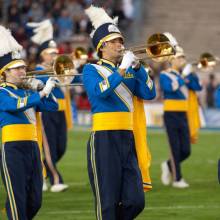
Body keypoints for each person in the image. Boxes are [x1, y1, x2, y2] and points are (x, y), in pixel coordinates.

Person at [83, 5, 156, 219]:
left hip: (127, 137)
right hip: (104, 139)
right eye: (115, 41)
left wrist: (138, 69)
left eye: (121, 41)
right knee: (108, 202)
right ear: (102, 46)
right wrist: (122, 69)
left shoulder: (129, 70)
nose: (120, 45)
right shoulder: (91, 69)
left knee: (136, 200)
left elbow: (149, 93)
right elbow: (100, 92)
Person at [0, 25, 58, 220]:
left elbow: (51, 107)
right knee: (18, 199)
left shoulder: (28, 92)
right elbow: (15, 105)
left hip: (33, 148)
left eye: (23, 67)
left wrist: (43, 88)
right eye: (16, 69)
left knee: (35, 199)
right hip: (13, 149)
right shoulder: (2, 92)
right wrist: (40, 93)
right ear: (4, 73)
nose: (22, 71)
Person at [27, 19, 73, 192]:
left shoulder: (58, 69)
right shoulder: (38, 71)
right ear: (42, 55)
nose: (54, 56)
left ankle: (41, 172)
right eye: (50, 53)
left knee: (61, 147)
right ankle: (55, 179)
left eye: (55, 53)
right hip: (47, 112)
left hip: (60, 111)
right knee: (49, 147)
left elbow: (69, 82)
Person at [159, 34, 202, 188]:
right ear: (171, 60)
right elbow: (169, 88)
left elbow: (198, 88)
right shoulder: (165, 75)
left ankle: (168, 165)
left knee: (186, 149)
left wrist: (192, 75)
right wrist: (183, 77)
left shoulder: (185, 75)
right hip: (170, 114)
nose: (182, 60)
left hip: (183, 114)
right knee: (175, 147)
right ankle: (177, 179)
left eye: (183, 58)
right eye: (179, 58)